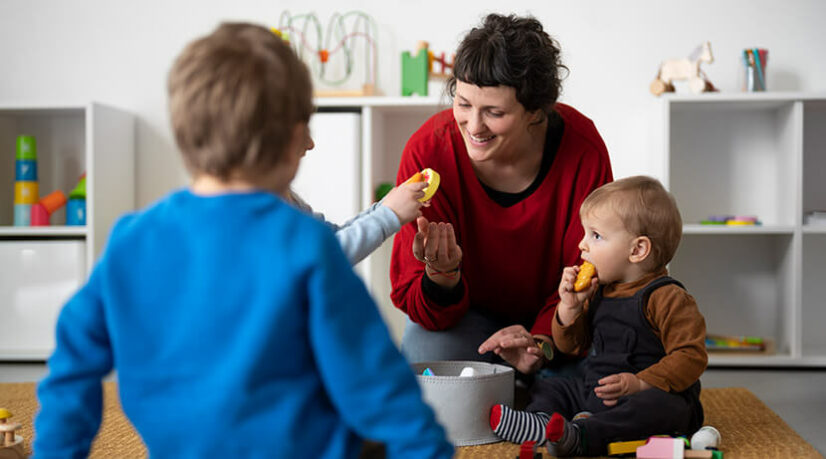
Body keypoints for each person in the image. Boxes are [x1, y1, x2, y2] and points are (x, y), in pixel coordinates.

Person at [34, 23, 453, 458]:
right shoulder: (305, 248)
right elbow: (382, 387)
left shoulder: (130, 242)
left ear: (182, 129)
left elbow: (71, 371)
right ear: (294, 141)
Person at [390, 13, 613, 374]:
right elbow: (417, 299)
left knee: (605, 384)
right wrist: (442, 276)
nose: (473, 126)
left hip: (561, 319)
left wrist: (543, 339)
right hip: (463, 321)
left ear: (535, 112)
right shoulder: (428, 152)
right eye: (463, 104)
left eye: (494, 112)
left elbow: (594, 265)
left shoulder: (582, 149)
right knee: (430, 375)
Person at [488, 176, 708, 457]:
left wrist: (640, 383)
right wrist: (569, 308)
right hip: (596, 391)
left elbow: (691, 356)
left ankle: (582, 436)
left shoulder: (668, 298)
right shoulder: (599, 291)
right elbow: (572, 346)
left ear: (637, 250)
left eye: (596, 236)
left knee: (662, 408)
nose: (582, 245)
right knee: (552, 385)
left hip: (646, 394)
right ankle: (543, 423)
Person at [287, 163, 427, 265]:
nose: (310, 144)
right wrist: (390, 214)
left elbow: (332, 238)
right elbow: (323, 257)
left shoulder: (288, 199)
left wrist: (388, 204)